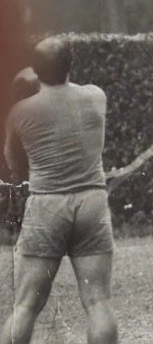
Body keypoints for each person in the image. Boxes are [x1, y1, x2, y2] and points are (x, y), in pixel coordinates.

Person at [1, 38, 118, 344]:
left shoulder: (20, 112)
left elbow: (14, 165)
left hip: (47, 206)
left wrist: (29, 78)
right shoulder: (96, 96)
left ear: (37, 70)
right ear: (71, 64)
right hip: (92, 203)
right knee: (97, 302)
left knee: (25, 304)